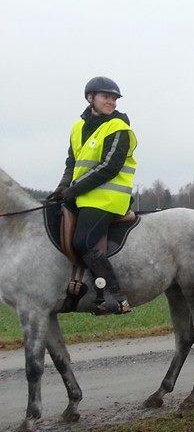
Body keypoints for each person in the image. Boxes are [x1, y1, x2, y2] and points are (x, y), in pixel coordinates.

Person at [48, 77, 138, 314]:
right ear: (90, 98)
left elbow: (110, 166)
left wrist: (74, 190)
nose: (111, 102)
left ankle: (115, 296)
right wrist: (62, 188)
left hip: (107, 198)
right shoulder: (77, 128)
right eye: (106, 97)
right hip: (82, 195)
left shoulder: (119, 128)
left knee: (83, 241)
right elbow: (72, 162)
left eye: (114, 98)